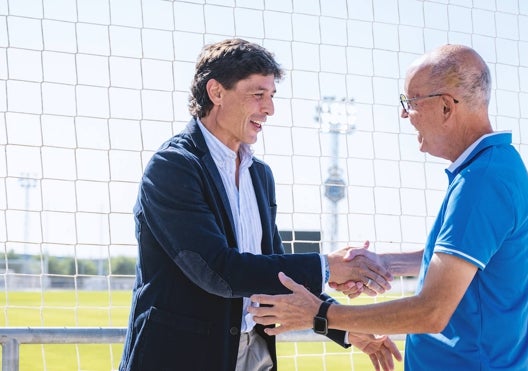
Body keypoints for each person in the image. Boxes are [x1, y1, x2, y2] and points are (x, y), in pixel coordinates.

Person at [248, 44, 528, 370]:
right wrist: (381, 264)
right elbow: (457, 262)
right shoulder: (493, 167)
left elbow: (431, 312)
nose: (404, 114)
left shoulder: (482, 180)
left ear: (445, 107)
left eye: (410, 102)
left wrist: (320, 314)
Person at [118, 38, 401, 371]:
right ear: (216, 92)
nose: (269, 109)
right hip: (180, 357)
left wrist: (344, 327)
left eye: (271, 96)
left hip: (255, 355)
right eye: (258, 95)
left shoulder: (260, 175)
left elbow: (274, 275)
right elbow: (218, 271)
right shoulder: (173, 166)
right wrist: (329, 267)